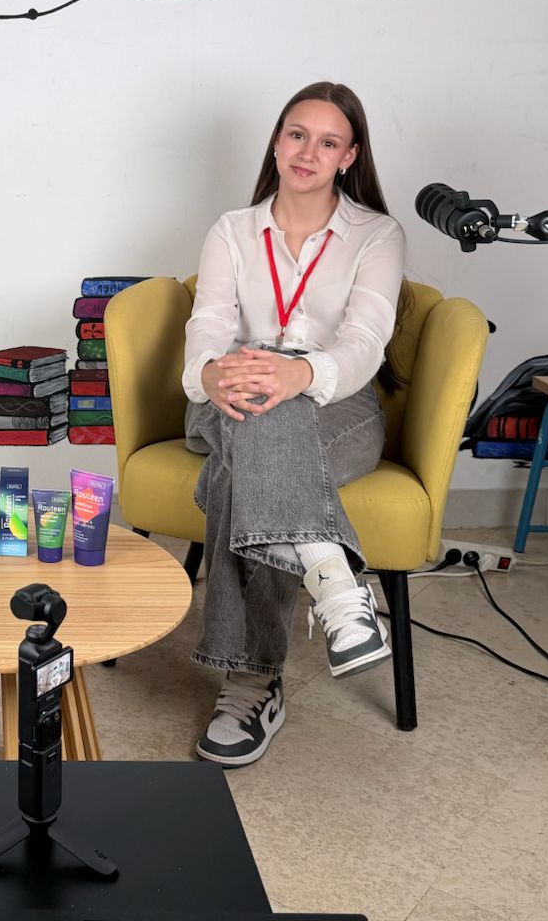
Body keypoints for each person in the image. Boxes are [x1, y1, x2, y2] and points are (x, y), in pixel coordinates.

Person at [181, 81, 405, 767]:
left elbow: (365, 341)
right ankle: (334, 582)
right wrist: (208, 375)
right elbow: (208, 325)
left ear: (349, 157)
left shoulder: (377, 235)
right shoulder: (232, 230)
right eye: (297, 135)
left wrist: (299, 376)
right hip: (232, 392)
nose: (308, 152)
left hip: (336, 399)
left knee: (244, 466)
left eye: (328, 142)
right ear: (277, 142)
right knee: (257, 415)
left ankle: (250, 684)